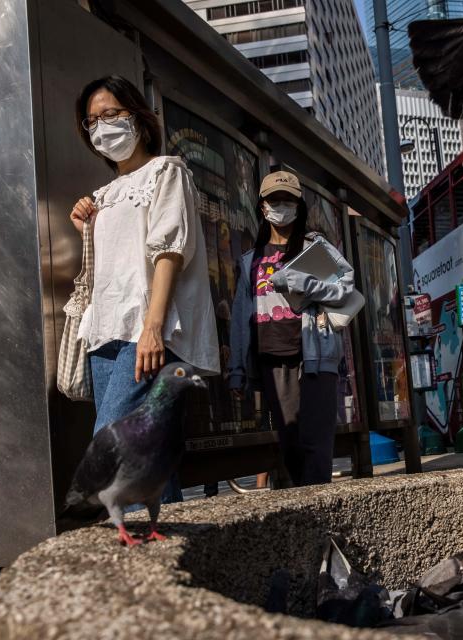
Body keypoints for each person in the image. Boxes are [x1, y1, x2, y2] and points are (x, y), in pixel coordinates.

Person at [70, 76, 220, 502]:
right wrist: (86, 227)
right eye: (92, 121)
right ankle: (168, 555)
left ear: (136, 116)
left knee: (115, 442)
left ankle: (147, 554)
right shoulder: (103, 195)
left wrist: (153, 327)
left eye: (111, 114)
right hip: (104, 336)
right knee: (148, 453)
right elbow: (112, 267)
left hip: (148, 330)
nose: (102, 126)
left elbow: (169, 251)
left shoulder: (166, 171)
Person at [228, 170, 355, 488]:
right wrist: (237, 370)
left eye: (288, 200)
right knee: (290, 443)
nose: (281, 206)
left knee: (316, 443)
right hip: (272, 361)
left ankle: (319, 514)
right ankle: (305, 508)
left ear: (299, 206)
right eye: (274, 200)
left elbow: (347, 288)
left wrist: (306, 284)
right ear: (262, 207)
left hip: (314, 355)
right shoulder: (250, 261)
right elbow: (241, 315)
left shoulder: (314, 246)